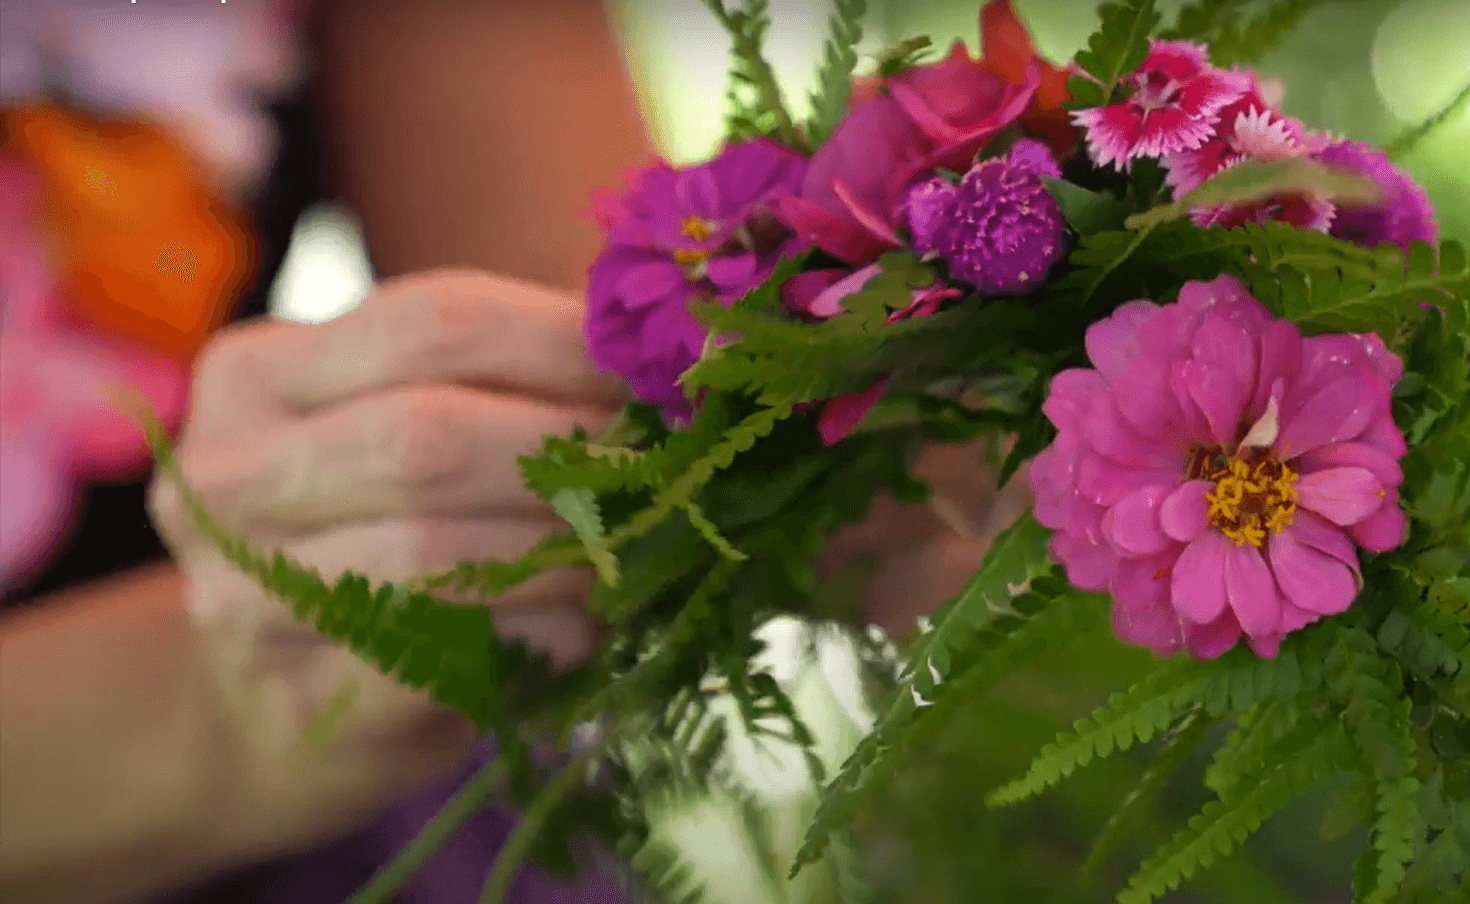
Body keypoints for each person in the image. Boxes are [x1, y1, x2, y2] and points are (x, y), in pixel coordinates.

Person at [0, 2, 1014, 902]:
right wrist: (222, 705)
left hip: (353, 736)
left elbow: (593, 315)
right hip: (257, 730)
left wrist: (851, 404)